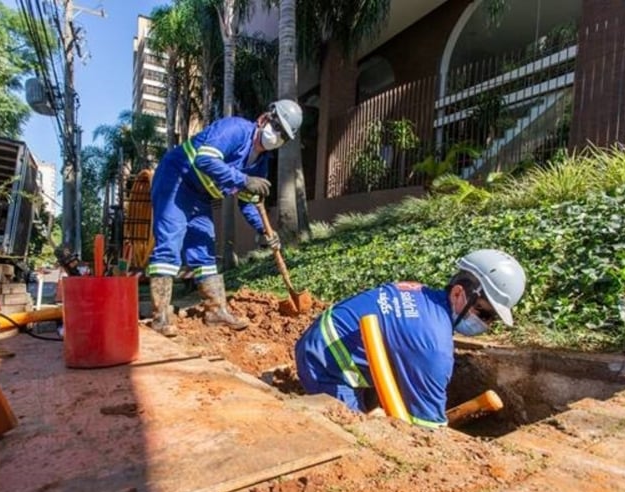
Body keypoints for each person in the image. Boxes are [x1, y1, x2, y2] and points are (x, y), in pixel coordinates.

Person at [294, 249, 526, 428]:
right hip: (325, 363)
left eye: (492, 318)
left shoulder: (421, 293)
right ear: (457, 293)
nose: (486, 323)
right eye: (484, 313)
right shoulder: (434, 348)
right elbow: (426, 428)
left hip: (329, 339)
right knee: (357, 434)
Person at [146, 99, 303, 337]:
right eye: (277, 127)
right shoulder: (235, 129)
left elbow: (249, 203)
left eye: (284, 136)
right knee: (170, 243)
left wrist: (265, 231)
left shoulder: (261, 164)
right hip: (176, 180)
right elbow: (205, 160)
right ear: (263, 119)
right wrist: (244, 180)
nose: (277, 136)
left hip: (200, 196)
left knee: (205, 250)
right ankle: (161, 317)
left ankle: (216, 312)